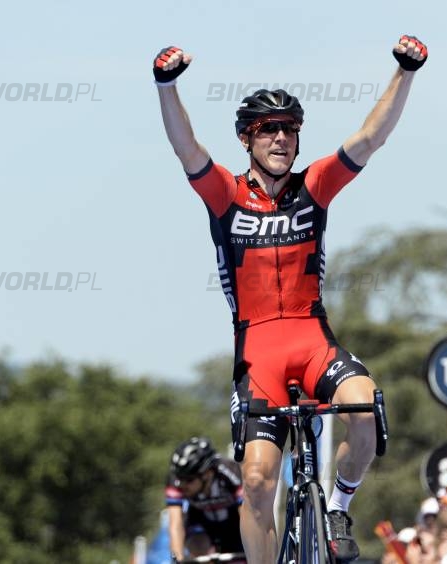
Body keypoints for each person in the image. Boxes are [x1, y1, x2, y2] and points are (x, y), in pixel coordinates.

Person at [153, 35, 428, 564]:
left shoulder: (314, 187)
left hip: (311, 337)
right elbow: (186, 147)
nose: (281, 138)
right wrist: (167, 86)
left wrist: (405, 72)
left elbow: (371, 138)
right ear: (246, 139)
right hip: (259, 352)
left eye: (289, 129)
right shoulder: (225, 195)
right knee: (257, 481)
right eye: (268, 130)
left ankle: (338, 508)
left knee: (364, 406)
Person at [164, 437, 244, 561]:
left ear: (207, 474)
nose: (182, 484)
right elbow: (175, 524)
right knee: (198, 547)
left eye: (189, 480)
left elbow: (247, 516)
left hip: (235, 524)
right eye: (180, 478)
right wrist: (177, 559)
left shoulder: (230, 473)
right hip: (200, 524)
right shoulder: (176, 481)